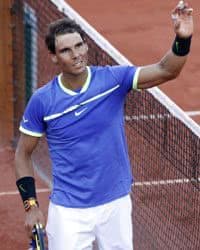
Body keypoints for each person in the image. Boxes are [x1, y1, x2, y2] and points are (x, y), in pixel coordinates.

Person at [15, 1, 193, 249]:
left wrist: (182, 39)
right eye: (66, 50)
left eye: (79, 45)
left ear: (86, 45)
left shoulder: (112, 80)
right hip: (69, 211)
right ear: (54, 58)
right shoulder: (43, 101)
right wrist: (31, 206)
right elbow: (23, 153)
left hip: (115, 205)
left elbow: (166, 70)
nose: (76, 54)